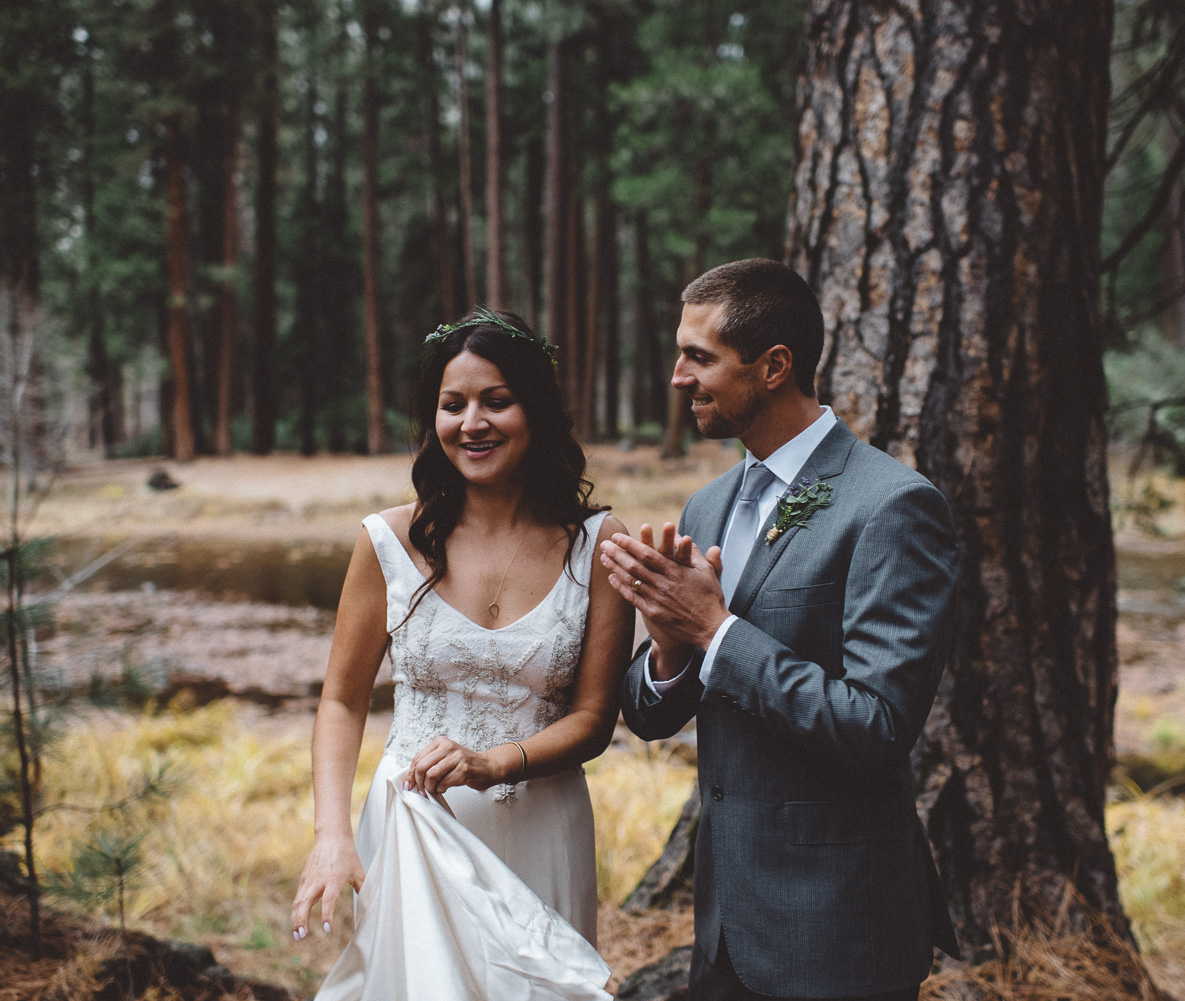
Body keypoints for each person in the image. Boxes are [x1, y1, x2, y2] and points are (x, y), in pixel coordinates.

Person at [599, 259, 961, 1001]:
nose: (677, 376)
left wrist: (715, 628)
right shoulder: (706, 506)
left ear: (773, 367)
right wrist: (669, 643)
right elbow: (649, 713)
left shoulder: (892, 506)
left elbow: (878, 726)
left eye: (698, 356)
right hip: (726, 927)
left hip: (839, 928)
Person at [291, 308, 632, 996]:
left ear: (534, 409)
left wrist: (494, 762)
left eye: (496, 401)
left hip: (544, 826)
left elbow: (596, 717)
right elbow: (340, 698)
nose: (472, 422)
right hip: (413, 828)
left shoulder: (598, 544)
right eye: (453, 404)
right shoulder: (387, 541)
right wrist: (331, 835)